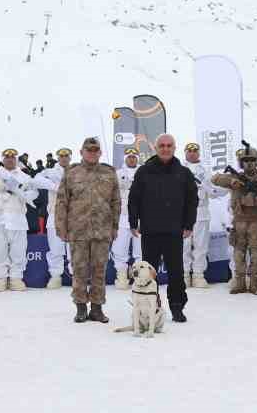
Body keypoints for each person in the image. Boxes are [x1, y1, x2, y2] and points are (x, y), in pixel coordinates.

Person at [128, 134, 198, 323]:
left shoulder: (184, 173)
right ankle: (150, 308)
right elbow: (134, 199)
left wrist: (189, 224)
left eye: (169, 145)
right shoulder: (144, 171)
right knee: (148, 274)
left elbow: (192, 200)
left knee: (176, 272)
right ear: (156, 148)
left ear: (175, 148)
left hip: (174, 231)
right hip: (150, 231)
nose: (165, 149)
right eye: (162, 145)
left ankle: (177, 307)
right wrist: (133, 222)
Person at [54, 136, 120, 322]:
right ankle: (81, 307)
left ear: (99, 152)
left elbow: (116, 202)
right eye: (88, 150)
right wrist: (61, 227)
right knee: (80, 270)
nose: (92, 153)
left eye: (95, 150)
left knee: (99, 270)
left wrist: (114, 226)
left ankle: (97, 308)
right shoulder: (71, 173)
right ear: (81, 152)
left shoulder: (109, 173)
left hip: (102, 229)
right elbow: (61, 202)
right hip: (78, 230)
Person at [212, 145, 257, 294]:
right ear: (241, 163)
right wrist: (233, 182)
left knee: (256, 253)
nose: (249, 163)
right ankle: (239, 283)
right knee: (238, 253)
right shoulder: (236, 177)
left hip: (256, 221)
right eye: (246, 160)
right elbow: (214, 179)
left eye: (252, 160)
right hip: (239, 221)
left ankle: (254, 284)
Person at [0, 148, 37, 291]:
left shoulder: (24, 177)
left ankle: (16, 278)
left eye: (12, 157)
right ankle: (0, 279)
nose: (10, 159)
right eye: (7, 157)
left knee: (18, 251)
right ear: (3, 159)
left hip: (17, 218)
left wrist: (20, 193)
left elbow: (34, 192)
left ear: (16, 159)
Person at [181, 142, 224, 289]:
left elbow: (215, 193)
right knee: (183, 245)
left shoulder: (206, 170)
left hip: (201, 211)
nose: (192, 153)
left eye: (195, 151)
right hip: (183, 212)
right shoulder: (179, 169)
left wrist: (206, 185)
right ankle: (185, 274)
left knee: (201, 245)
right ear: (185, 152)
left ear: (199, 153)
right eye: (189, 151)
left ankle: (198, 274)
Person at [30, 146, 72, 287]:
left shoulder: (78, 171)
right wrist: (54, 186)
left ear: (70, 157)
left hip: (75, 216)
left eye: (66, 156)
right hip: (55, 214)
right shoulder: (50, 171)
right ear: (58, 157)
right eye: (61, 156)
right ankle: (56, 276)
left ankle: (77, 276)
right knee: (56, 248)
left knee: (76, 249)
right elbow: (35, 180)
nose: (64, 158)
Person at [111, 147, 141, 287]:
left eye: (134, 156)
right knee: (120, 247)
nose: (131, 158)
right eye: (129, 156)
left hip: (141, 216)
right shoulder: (117, 173)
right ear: (125, 158)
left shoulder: (144, 172)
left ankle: (139, 276)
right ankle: (121, 275)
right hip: (122, 216)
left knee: (140, 249)